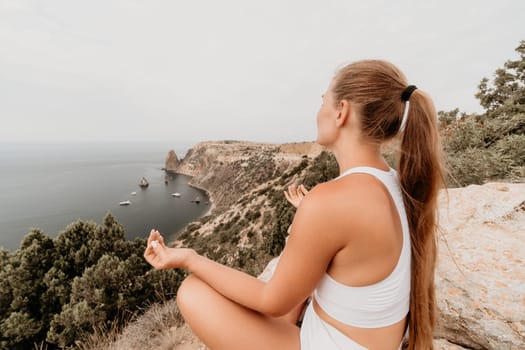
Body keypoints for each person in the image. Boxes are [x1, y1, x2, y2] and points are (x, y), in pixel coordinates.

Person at [144, 59, 444, 350]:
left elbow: (271, 303)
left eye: (323, 101)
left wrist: (190, 258)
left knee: (193, 291)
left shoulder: (333, 200)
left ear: (341, 112)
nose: (318, 111)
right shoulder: (396, 183)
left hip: (329, 342)